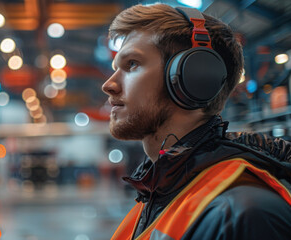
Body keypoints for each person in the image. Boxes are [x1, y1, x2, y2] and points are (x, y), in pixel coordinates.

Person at [102, 3, 291, 240]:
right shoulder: (160, 195)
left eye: (132, 64)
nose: (108, 84)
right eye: (115, 68)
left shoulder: (243, 215)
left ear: (193, 76)